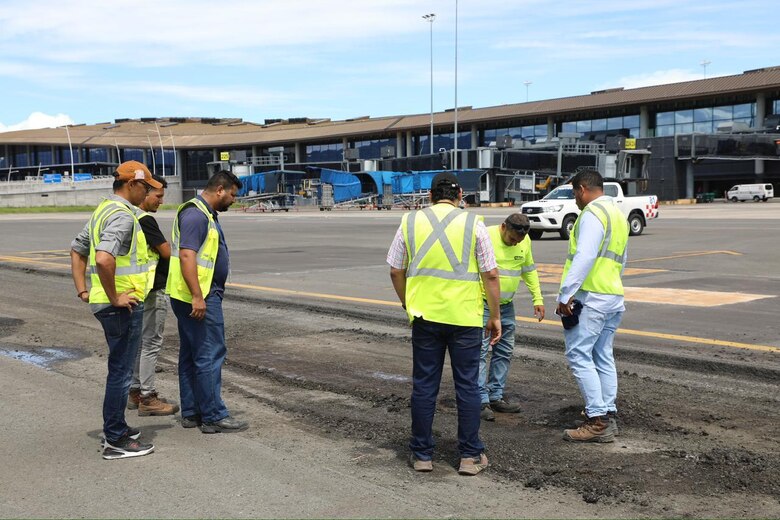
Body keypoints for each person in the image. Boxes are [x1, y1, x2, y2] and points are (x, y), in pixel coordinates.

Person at [388, 171, 501, 476]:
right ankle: (469, 456)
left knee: (425, 386)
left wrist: (407, 303)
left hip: (425, 317)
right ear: (460, 195)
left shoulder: (410, 222)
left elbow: (396, 270)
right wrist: (494, 316)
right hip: (464, 319)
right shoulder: (474, 224)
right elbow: (490, 274)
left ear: (429, 196)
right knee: (467, 386)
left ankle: (423, 455)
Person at [70, 160, 162, 460]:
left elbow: (77, 249)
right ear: (132, 184)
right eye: (146, 187)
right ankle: (115, 438)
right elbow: (104, 259)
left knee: (119, 369)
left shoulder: (102, 210)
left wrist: (83, 289)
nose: (147, 192)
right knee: (120, 373)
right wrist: (116, 297)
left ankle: (118, 427)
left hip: (104, 303)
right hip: (119, 306)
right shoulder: (123, 216)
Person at [167, 170, 247, 434]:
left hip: (190, 295)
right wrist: (198, 296)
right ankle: (213, 415)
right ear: (220, 190)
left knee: (192, 354)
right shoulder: (196, 216)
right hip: (198, 297)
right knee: (210, 353)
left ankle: (192, 411)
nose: (234, 200)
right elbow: (188, 256)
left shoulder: (203, 214)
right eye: (233, 195)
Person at [556, 169, 628, 443]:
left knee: (579, 355)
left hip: (591, 296)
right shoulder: (617, 215)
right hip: (612, 295)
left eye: (574, 192)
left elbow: (584, 256)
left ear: (583, 189)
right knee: (602, 355)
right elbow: (622, 260)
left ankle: (597, 420)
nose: (575, 199)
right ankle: (607, 413)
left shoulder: (591, 215)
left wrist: (566, 294)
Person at [479, 213, 545, 422]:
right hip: (482, 304)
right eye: (512, 239)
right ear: (503, 227)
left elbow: (529, 270)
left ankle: (495, 396)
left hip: (507, 306)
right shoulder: (485, 237)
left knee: (504, 352)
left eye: (519, 241)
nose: (515, 243)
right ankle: (480, 401)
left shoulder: (524, 242)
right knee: (479, 352)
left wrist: (538, 298)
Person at [126, 175, 179, 417]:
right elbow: (166, 251)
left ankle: (135, 392)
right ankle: (147, 396)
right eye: (157, 196)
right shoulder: (145, 219)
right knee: (151, 343)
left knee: (140, 343)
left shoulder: (131, 217)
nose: (161, 201)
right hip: (153, 288)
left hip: (139, 288)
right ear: (145, 193)